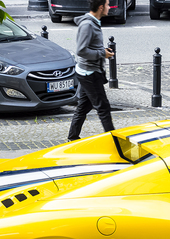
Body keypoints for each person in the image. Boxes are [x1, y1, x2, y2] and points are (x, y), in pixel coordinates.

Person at [68, 0, 115, 141]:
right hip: (89, 74)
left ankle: (72, 137)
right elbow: (81, 51)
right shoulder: (87, 25)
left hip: (88, 71)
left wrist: (103, 51)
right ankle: (115, 142)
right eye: (107, 4)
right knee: (104, 108)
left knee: (83, 106)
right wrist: (102, 54)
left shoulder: (93, 22)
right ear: (101, 8)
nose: (109, 7)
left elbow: (91, 47)